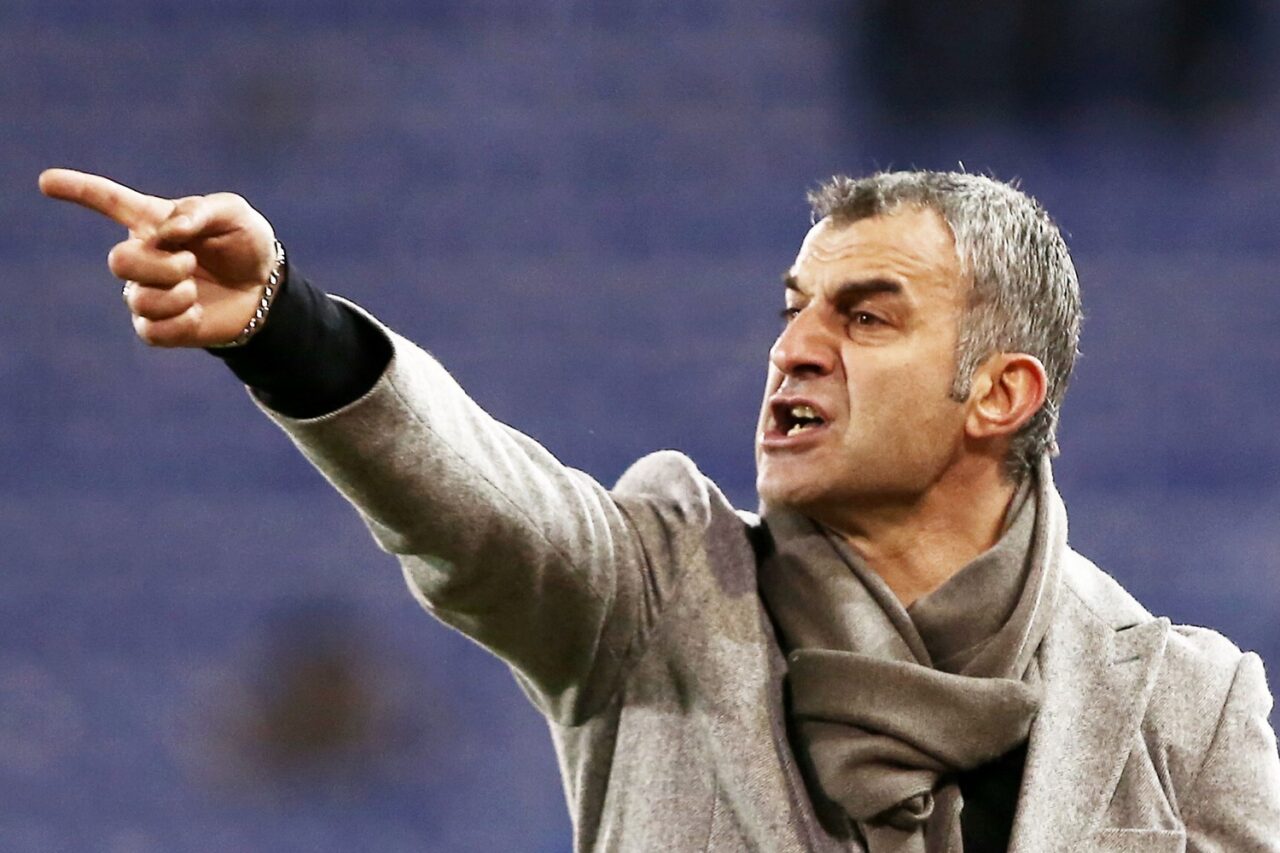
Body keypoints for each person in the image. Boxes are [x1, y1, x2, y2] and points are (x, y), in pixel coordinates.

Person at [40, 166, 1280, 851]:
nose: (793, 346)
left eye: (863, 315)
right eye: (792, 308)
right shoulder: (656, 588)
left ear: (999, 394)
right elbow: (475, 502)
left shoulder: (1183, 703)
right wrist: (281, 326)